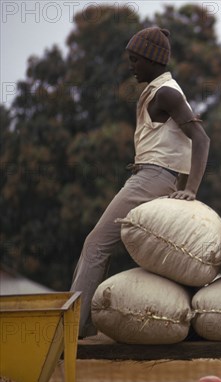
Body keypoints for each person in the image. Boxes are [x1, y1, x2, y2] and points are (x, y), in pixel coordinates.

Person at [70, 27, 211, 338]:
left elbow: (201, 138)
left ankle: (73, 328)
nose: (131, 66)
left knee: (95, 245)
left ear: (152, 59)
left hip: (152, 177)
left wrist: (191, 190)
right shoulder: (159, 91)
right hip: (156, 176)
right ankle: (88, 322)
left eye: (135, 60)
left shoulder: (167, 93)